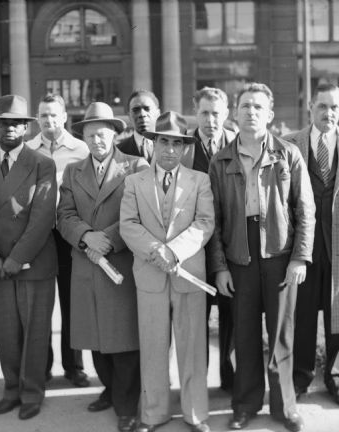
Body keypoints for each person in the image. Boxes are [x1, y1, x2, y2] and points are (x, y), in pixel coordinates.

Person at [208, 83, 315, 432]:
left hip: (279, 254)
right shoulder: (220, 160)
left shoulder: (288, 154)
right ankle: (245, 405)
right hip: (239, 254)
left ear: (269, 115)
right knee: (245, 333)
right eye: (244, 106)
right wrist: (221, 267)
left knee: (281, 333)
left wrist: (299, 258)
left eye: (258, 107)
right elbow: (215, 219)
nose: (250, 112)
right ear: (235, 114)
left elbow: (305, 210)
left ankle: (285, 407)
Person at [120, 111, 215, 432]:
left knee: (191, 347)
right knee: (153, 346)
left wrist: (173, 250)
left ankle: (196, 414)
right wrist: (155, 250)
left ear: (186, 147)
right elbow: (128, 225)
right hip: (150, 276)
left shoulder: (199, 180)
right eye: (164, 141)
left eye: (177, 143)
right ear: (153, 144)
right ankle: (153, 413)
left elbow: (205, 223)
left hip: (188, 274)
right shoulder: (134, 181)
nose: (170, 150)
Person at [283, 83, 339, 407]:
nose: (329, 113)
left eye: (335, 107)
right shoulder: (290, 143)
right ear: (310, 107)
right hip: (304, 248)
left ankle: (337, 380)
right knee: (303, 315)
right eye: (323, 106)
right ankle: (300, 378)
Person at [58, 102, 148, 432]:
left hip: (119, 261)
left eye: (104, 133)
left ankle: (128, 407)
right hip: (86, 262)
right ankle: (109, 391)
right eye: (91, 134)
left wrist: (106, 240)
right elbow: (64, 215)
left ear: (115, 134)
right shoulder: (72, 171)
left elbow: (140, 214)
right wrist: (85, 238)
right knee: (95, 335)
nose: (97, 140)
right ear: (83, 136)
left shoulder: (136, 166)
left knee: (122, 337)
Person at [0, 95, 57, 420]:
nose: (9, 128)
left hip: (33, 262)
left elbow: (43, 216)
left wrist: (17, 257)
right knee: (5, 331)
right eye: (3, 122)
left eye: (16, 122)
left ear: (26, 127)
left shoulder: (42, 164)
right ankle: (11, 390)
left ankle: (32, 392)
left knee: (35, 331)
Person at [25, 93, 90, 388]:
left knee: (70, 301)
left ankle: (74, 366)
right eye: (43, 116)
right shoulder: (28, 150)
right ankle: (43, 366)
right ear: (37, 119)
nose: (48, 121)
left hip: (67, 234)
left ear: (64, 117)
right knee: (40, 304)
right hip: (38, 235)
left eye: (54, 115)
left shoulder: (81, 149)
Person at [182, 86, 236, 392]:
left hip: (230, 249)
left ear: (226, 114)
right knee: (195, 321)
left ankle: (230, 381)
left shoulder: (237, 144)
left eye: (216, 113)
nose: (210, 120)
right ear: (195, 111)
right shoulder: (184, 148)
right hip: (194, 250)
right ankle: (196, 384)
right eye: (204, 112)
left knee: (231, 317)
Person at [116, 90, 161, 163]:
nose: (142, 114)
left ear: (158, 113)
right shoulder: (118, 151)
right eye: (136, 110)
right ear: (129, 116)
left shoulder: (170, 147)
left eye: (147, 109)